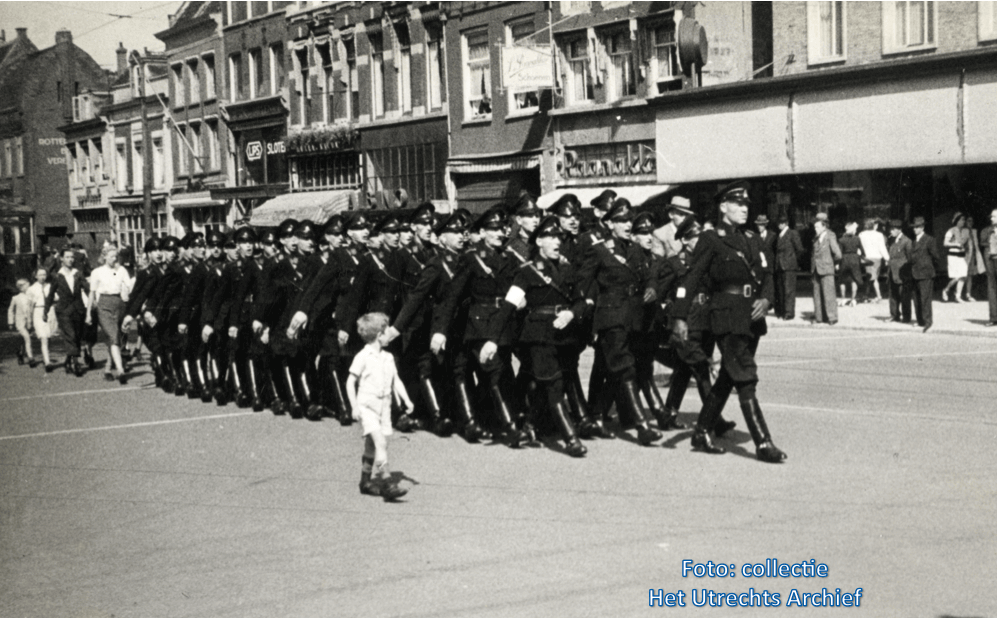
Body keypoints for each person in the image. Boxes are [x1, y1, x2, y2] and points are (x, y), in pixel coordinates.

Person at [672, 180, 786, 463]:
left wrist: (767, 300)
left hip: (752, 316)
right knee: (745, 376)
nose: (744, 209)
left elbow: (768, 274)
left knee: (727, 376)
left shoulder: (752, 238)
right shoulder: (711, 239)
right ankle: (763, 442)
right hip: (725, 315)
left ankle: (701, 431)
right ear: (724, 207)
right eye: (738, 204)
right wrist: (679, 316)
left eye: (746, 204)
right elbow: (691, 278)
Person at [348, 312, 410, 501]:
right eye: (386, 332)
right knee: (380, 442)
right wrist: (354, 406)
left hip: (385, 406)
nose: (389, 335)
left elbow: (396, 380)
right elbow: (350, 382)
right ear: (378, 335)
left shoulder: (388, 357)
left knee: (372, 445)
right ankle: (388, 483)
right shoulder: (363, 356)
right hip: (367, 405)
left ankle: (365, 481)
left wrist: (407, 400)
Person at [87, 245, 130, 382]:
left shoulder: (122, 270)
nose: (114, 259)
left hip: (119, 304)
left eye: (116, 256)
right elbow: (92, 293)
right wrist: (88, 313)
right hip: (104, 305)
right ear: (104, 256)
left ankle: (108, 367)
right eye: (111, 256)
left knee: (115, 338)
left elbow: (129, 286)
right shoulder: (97, 272)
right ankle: (121, 371)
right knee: (113, 335)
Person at [45, 247, 91, 376]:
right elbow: (50, 295)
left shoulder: (78, 273)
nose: (70, 259)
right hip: (63, 310)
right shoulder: (57, 276)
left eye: (72, 257)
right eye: (67, 257)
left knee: (76, 336)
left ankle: (67, 360)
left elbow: (87, 289)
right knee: (70, 335)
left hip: (78, 309)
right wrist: (45, 311)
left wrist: (93, 304)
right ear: (61, 259)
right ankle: (76, 363)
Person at [910, 216, 940, 332]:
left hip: (925, 273)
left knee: (925, 298)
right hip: (915, 272)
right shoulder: (914, 240)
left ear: (922, 227)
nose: (915, 229)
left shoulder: (929, 240)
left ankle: (928, 321)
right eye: (914, 227)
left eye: (917, 227)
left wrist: (929, 267)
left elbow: (936, 256)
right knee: (916, 298)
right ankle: (920, 320)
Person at [810, 213, 841, 325]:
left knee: (829, 294)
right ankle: (819, 317)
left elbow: (837, 253)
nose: (815, 229)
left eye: (817, 227)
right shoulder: (816, 238)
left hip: (827, 269)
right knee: (817, 294)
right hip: (816, 269)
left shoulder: (830, 236)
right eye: (815, 227)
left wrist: (832, 263)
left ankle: (832, 317)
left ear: (824, 226)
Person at [774, 215, 804, 320]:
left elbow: (799, 249)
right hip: (780, 265)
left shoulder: (792, 233)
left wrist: (793, 260)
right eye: (779, 223)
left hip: (789, 266)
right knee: (781, 290)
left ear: (785, 223)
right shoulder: (780, 235)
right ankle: (783, 311)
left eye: (781, 223)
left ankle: (789, 313)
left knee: (789, 290)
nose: (779, 225)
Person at [26, 268, 56, 371]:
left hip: (50, 311)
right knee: (43, 337)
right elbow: (30, 305)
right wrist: (29, 319)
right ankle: (47, 362)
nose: (42, 277)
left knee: (49, 337)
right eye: (40, 275)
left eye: (44, 274)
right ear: (35, 276)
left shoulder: (50, 286)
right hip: (38, 311)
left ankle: (46, 357)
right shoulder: (32, 289)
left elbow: (56, 298)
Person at [886, 219, 913, 324]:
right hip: (892, 272)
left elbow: (910, 258)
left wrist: (907, 272)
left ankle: (906, 317)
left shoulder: (906, 241)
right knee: (892, 295)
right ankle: (894, 315)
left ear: (899, 230)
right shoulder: (891, 240)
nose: (890, 231)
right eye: (890, 229)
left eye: (893, 229)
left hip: (902, 273)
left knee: (904, 296)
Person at [858, 219, 889, 302]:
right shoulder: (879, 235)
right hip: (877, 258)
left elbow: (859, 248)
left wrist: (860, 256)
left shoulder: (861, 234)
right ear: (874, 226)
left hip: (867, 258)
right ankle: (877, 295)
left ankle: (868, 295)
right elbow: (882, 247)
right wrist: (887, 258)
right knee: (874, 277)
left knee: (870, 277)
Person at [942, 213, 970, 302]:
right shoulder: (951, 231)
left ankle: (958, 296)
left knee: (963, 275)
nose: (963, 221)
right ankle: (946, 289)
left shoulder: (966, 231)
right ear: (957, 221)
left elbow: (967, 243)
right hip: (953, 256)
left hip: (962, 255)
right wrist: (956, 244)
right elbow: (945, 243)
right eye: (961, 219)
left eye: (964, 219)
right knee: (957, 276)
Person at [8, 277, 35, 367]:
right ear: (20, 287)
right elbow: (10, 310)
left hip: (29, 322)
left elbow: (33, 309)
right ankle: (30, 357)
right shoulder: (15, 298)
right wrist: (10, 322)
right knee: (27, 338)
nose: (28, 287)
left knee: (24, 341)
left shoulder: (31, 297)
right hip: (20, 322)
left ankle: (20, 354)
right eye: (26, 285)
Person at [837, 221, 864, 307]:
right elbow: (863, 251)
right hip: (855, 259)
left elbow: (839, 253)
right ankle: (853, 300)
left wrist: (837, 263)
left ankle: (843, 299)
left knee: (842, 280)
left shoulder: (841, 240)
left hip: (844, 259)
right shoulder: (857, 239)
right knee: (854, 279)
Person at [981, 208, 997, 326]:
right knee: (991, 287)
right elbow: (982, 242)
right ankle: (993, 318)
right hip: (990, 259)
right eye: (991, 216)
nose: (991, 218)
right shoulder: (986, 230)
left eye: (994, 216)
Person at [964, 215, 985, 302]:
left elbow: (976, 244)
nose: (970, 223)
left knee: (970, 276)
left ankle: (968, 294)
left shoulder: (974, 231)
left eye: (972, 221)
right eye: (969, 221)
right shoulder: (963, 231)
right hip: (964, 255)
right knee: (961, 275)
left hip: (972, 256)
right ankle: (954, 292)